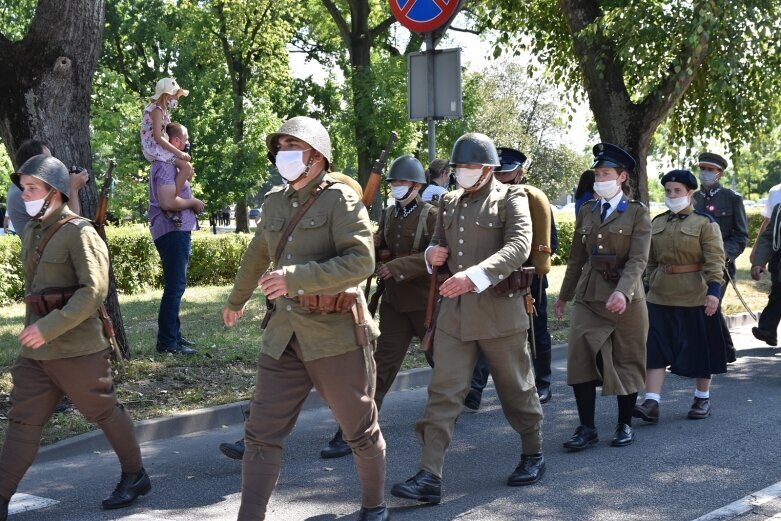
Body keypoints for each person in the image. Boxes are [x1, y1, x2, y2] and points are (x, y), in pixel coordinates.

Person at [222, 116, 388, 521]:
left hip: (336, 336)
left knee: (359, 432)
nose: (283, 155)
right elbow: (258, 252)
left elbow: (361, 261)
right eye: (280, 147)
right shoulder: (276, 201)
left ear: (316, 156)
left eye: (292, 147)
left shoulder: (341, 200)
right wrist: (236, 299)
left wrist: (294, 278)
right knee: (260, 434)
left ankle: (374, 506)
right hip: (284, 336)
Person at [390, 133, 545, 507]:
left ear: (488, 169)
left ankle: (533, 453)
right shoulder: (448, 201)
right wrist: (431, 254)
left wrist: (474, 276)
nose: (461, 172)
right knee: (443, 393)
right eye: (458, 167)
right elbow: (436, 246)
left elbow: (518, 245)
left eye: (469, 166)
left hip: (499, 312)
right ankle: (429, 475)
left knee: (516, 390)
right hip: (455, 314)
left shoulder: (511, 198)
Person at [0, 156, 150, 520]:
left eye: (32, 188)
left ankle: (136, 475)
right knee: (23, 420)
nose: (25, 194)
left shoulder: (80, 232)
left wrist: (48, 327)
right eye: (23, 188)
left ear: (55, 192)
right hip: (37, 352)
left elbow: (93, 292)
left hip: (77, 348)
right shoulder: (35, 230)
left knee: (103, 411)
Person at [319, 155, 438, 460]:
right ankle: (352, 432)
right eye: (394, 182)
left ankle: (447, 415)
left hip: (427, 306)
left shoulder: (432, 215)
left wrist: (397, 265)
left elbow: (438, 256)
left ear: (416, 185)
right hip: (396, 304)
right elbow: (378, 245)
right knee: (379, 369)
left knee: (448, 367)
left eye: (402, 182)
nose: (397, 187)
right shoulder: (389, 214)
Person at [554, 143, 650, 450]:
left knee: (627, 357)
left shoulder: (637, 214)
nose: (599, 178)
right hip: (589, 294)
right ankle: (586, 428)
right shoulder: (586, 211)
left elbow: (638, 260)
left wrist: (623, 291)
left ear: (621, 177)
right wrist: (563, 296)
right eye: (597, 173)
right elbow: (575, 259)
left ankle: (624, 424)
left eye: (605, 173)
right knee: (579, 357)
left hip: (626, 297)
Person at [464, 147, 557, 408]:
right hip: (494, 276)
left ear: (519, 173)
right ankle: (475, 388)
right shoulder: (487, 200)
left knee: (536, 332)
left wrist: (527, 267)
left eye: (508, 173)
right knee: (487, 329)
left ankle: (544, 383)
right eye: (500, 173)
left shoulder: (534, 201)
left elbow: (550, 243)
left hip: (528, 278)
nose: (503, 178)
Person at [633, 169, 727, 424]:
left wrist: (714, 292)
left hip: (694, 295)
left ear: (690, 193)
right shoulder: (658, 222)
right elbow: (650, 260)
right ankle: (651, 401)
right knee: (655, 348)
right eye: (668, 191)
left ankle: (701, 397)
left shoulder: (704, 223)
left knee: (700, 349)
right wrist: (650, 283)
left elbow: (715, 261)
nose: (672, 195)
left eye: (677, 191)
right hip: (660, 297)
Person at [148, 122, 204, 354]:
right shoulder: (164, 166)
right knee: (174, 286)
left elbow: (173, 194)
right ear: (176, 142)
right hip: (171, 230)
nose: (187, 144)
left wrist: (184, 171)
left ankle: (175, 337)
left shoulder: (172, 166)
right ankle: (167, 342)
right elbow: (168, 203)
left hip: (177, 230)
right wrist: (193, 203)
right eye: (186, 138)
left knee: (176, 285)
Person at [692, 152, 748, 363]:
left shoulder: (732, 198)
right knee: (700, 306)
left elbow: (741, 236)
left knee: (709, 304)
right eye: (702, 168)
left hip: (720, 265)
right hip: (694, 263)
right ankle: (724, 350)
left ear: (719, 173)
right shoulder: (692, 198)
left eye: (710, 169)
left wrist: (723, 253)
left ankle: (719, 351)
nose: (705, 173)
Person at [6, 139, 89, 236]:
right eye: (48, 159)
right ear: (35, 162)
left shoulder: (24, 186)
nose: (53, 162)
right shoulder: (25, 190)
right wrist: (73, 188)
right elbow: (68, 225)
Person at [140, 77, 193, 227]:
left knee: (187, 168)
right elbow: (157, 136)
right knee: (185, 166)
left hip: (159, 147)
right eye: (176, 95)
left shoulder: (163, 112)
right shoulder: (156, 110)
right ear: (166, 94)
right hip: (154, 148)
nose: (177, 99)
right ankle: (171, 203)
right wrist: (178, 152)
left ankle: (171, 201)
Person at [750, 200, 781, 346]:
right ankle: (767, 330)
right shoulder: (779, 209)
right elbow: (769, 237)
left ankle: (767, 329)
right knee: (777, 294)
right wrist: (759, 262)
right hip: (778, 262)